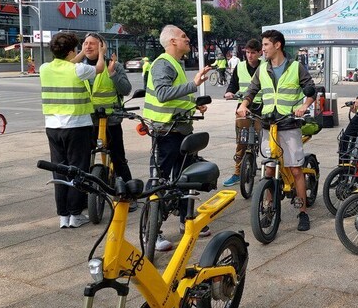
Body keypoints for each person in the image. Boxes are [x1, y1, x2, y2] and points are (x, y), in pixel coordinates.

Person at [237, 29, 316, 231]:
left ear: (277, 45)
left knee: (296, 169)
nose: (262, 49)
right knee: (269, 169)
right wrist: (244, 104)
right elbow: (251, 90)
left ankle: (302, 212)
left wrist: (304, 107)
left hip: (289, 125)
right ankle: (269, 207)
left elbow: (311, 91)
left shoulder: (296, 67)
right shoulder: (262, 69)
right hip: (268, 125)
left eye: (265, 45)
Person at [144, 25, 213, 250]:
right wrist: (194, 85)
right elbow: (163, 94)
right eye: (183, 37)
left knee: (185, 178)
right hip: (166, 133)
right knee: (159, 181)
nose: (187, 39)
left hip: (180, 130)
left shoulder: (176, 64)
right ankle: (151, 232)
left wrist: (193, 104)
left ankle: (186, 220)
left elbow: (176, 97)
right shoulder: (163, 63)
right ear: (172, 41)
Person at [40, 33, 105, 229]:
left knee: (59, 170)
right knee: (78, 169)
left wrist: (79, 55)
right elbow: (100, 68)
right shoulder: (79, 70)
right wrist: (100, 53)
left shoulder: (45, 68)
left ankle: (63, 216)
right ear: (70, 52)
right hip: (76, 126)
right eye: (76, 50)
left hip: (53, 127)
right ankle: (76, 214)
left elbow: (67, 63)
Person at [82, 33, 133, 186]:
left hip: (111, 121)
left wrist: (112, 74)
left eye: (92, 43)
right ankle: (84, 196)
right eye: (85, 43)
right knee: (83, 160)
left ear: (102, 47)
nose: (88, 46)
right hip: (86, 121)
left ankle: (128, 194)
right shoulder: (79, 67)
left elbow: (126, 90)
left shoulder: (113, 65)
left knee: (118, 159)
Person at [223, 39, 262, 187]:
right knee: (241, 142)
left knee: (265, 141)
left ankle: (267, 169)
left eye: (253, 52)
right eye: (247, 52)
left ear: (259, 53)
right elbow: (233, 84)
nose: (250, 55)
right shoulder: (239, 67)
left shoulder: (265, 67)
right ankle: (238, 173)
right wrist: (229, 92)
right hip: (243, 108)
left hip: (262, 108)